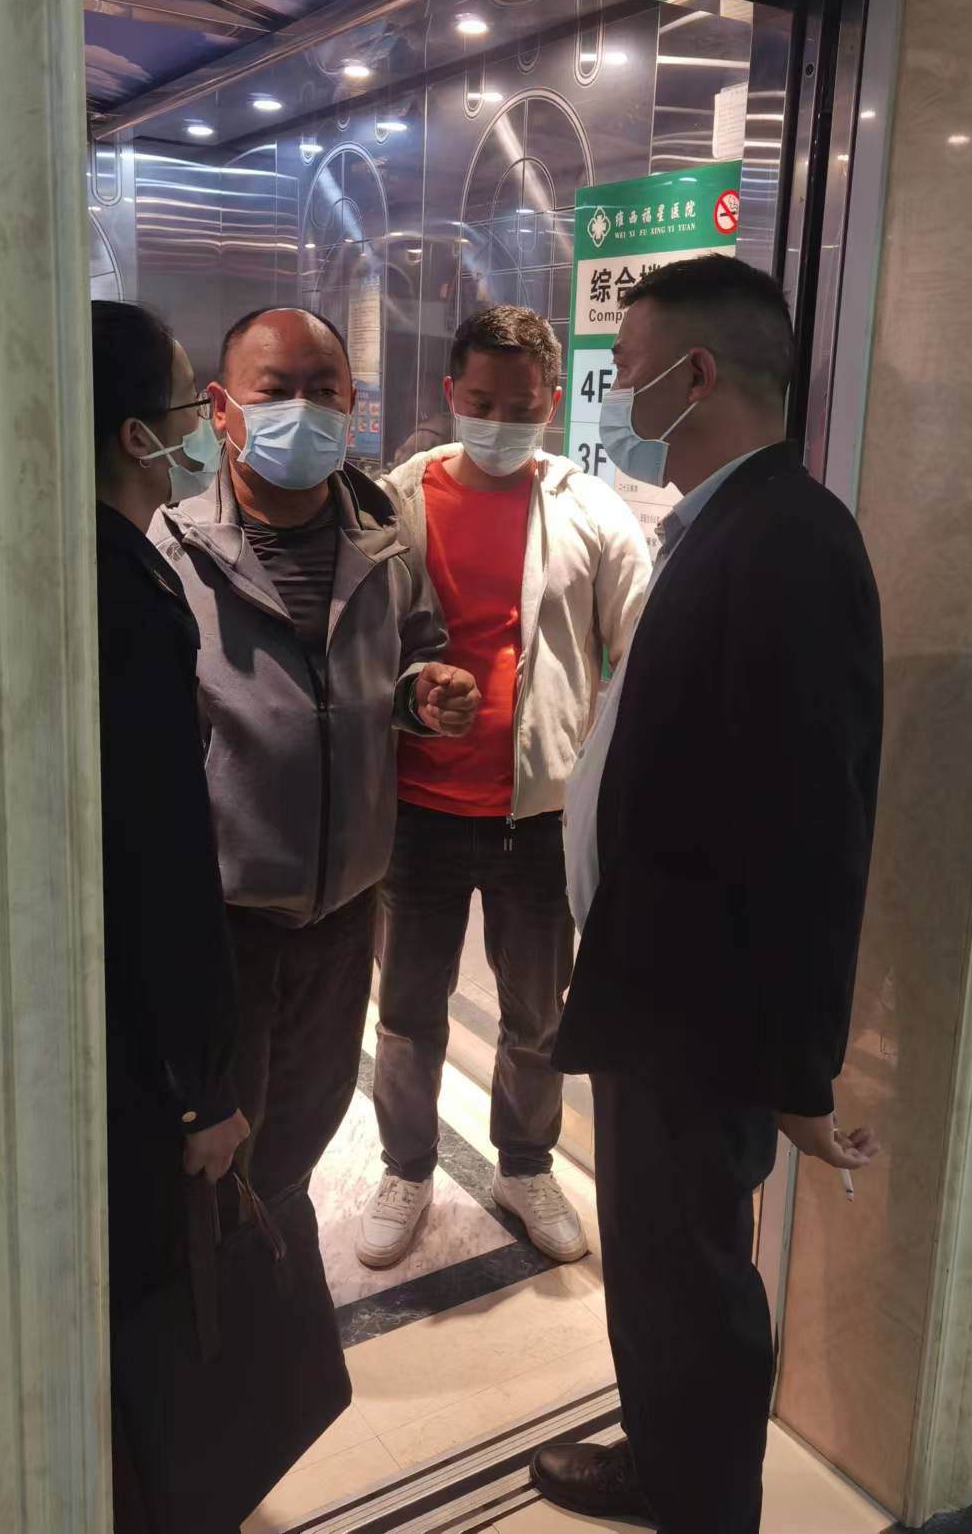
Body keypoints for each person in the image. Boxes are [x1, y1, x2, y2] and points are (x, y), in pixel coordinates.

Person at [529, 256, 884, 1534]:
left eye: (623, 372)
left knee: (689, 1279)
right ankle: (669, 1458)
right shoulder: (718, 523)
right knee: (657, 1272)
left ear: (693, 375)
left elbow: (812, 835)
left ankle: (703, 1504)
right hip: (653, 984)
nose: (610, 396)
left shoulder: (789, 544)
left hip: (701, 1012)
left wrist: (797, 1071)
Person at [150, 306, 479, 1212]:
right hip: (227, 924)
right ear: (221, 408)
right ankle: (235, 1279)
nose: (303, 409)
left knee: (304, 1130)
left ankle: (279, 1250)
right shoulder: (169, 554)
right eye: (276, 391)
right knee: (218, 1156)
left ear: (351, 402)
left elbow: (416, 650)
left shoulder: (385, 538)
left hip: (345, 913)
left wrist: (422, 693)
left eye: (323, 390)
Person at [358, 305, 650, 1268]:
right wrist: (410, 697)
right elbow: (358, 651)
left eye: (521, 407)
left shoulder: (588, 510)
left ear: (551, 402)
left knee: (538, 1014)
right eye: (480, 402)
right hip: (418, 813)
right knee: (408, 1011)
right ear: (451, 392)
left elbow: (640, 652)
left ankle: (525, 1166)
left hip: (541, 818)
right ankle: (407, 1168)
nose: (499, 421)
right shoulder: (397, 503)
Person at [93, 300, 248, 1531]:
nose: (208, 422)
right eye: (193, 398)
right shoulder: (126, 588)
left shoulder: (97, 556)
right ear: (137, 433)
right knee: (143, 1287)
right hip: (142, 1049)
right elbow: (161, 861)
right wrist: (203, 1087)